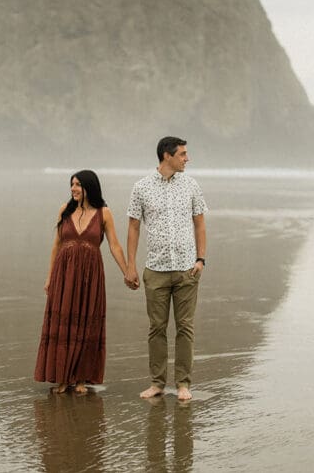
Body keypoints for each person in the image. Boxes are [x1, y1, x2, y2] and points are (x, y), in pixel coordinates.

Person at [125, 137, 208, 401]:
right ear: (166, 155)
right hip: (156, 270)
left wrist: (201, 259)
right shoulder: (141, 187)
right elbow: (133, 227)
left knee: (185, 328)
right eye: (182, 154)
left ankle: (183, 384)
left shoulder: (191, 185)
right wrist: (130, 265)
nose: (187, 158)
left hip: (187, 270)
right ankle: (157, 383)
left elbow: (199, 223)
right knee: (156, 328)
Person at [35, 170, 128, 394]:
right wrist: (49, 277)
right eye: (72, 184)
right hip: (64, 275)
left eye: (78, 185)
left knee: (86, 323)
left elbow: (114, 245)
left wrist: (127, 272)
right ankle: (62, 378)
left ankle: (80, 380)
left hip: (90, 277)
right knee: (63, 324)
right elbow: (56, 246)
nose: (73, 189)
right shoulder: (65, 210)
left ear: (89, 187)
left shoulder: (104, 213)